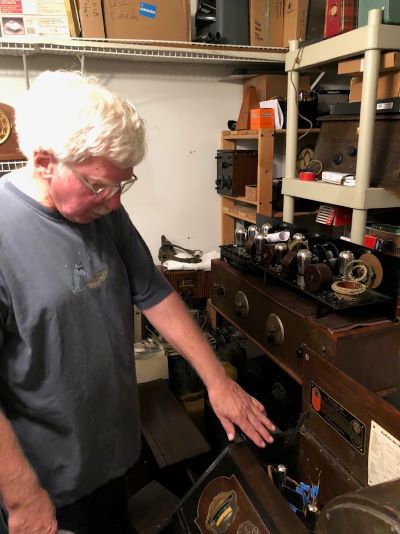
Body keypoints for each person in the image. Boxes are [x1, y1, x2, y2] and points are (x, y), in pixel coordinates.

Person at [0, 71, 276, 534]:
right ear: (45, 161)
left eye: (122, 185)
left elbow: (153, 292)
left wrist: (217, 382)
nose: (112, 202)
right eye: (99, 186)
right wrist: (25, 499)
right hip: (43, 489)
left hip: (111, 462)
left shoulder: (104, 212)